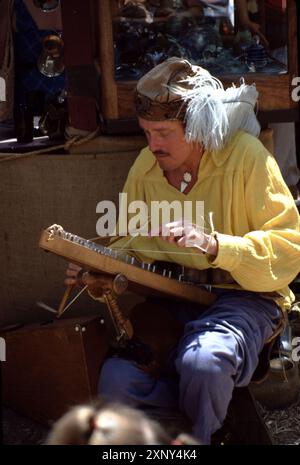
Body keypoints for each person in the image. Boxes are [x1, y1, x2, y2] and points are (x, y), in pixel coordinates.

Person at [65, 57, 300, 444]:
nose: (152, 144)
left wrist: (214, 245)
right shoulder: (146, 166)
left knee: (204, 363)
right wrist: (99, 270)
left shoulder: (246, 158)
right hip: (172, 299)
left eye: (163, 132)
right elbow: (130, 245)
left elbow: (288, 246)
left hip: (245, 299)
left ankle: (203, 435)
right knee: (118, 379)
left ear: (197, 125)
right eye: (145, 132)